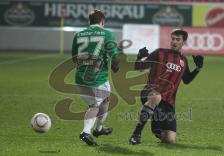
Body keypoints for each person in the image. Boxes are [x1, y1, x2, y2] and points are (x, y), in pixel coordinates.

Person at [129, 28, 204, 144]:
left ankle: (157, 126)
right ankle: (136, 134)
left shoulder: (183, 60)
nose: (174, 41)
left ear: (183, 42)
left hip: (168, 102)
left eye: (177, 39)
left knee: (170, 140)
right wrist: (139, 57)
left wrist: (198, 68)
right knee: (156, 97)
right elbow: (138, 67)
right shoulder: (160, 53)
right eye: (173, 39)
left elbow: (187, 80)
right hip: (150, 92)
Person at [71, 10, 119, 146]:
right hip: (98, 79)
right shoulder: (107, 33)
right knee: (95, 106)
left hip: (80, 79)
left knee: (104, 101)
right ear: (102, 22)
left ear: (89, 21)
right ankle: (85, 132)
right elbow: (115, 56)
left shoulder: (78, 34)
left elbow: (74, 57)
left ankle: (99, 129)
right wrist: (116, 67)